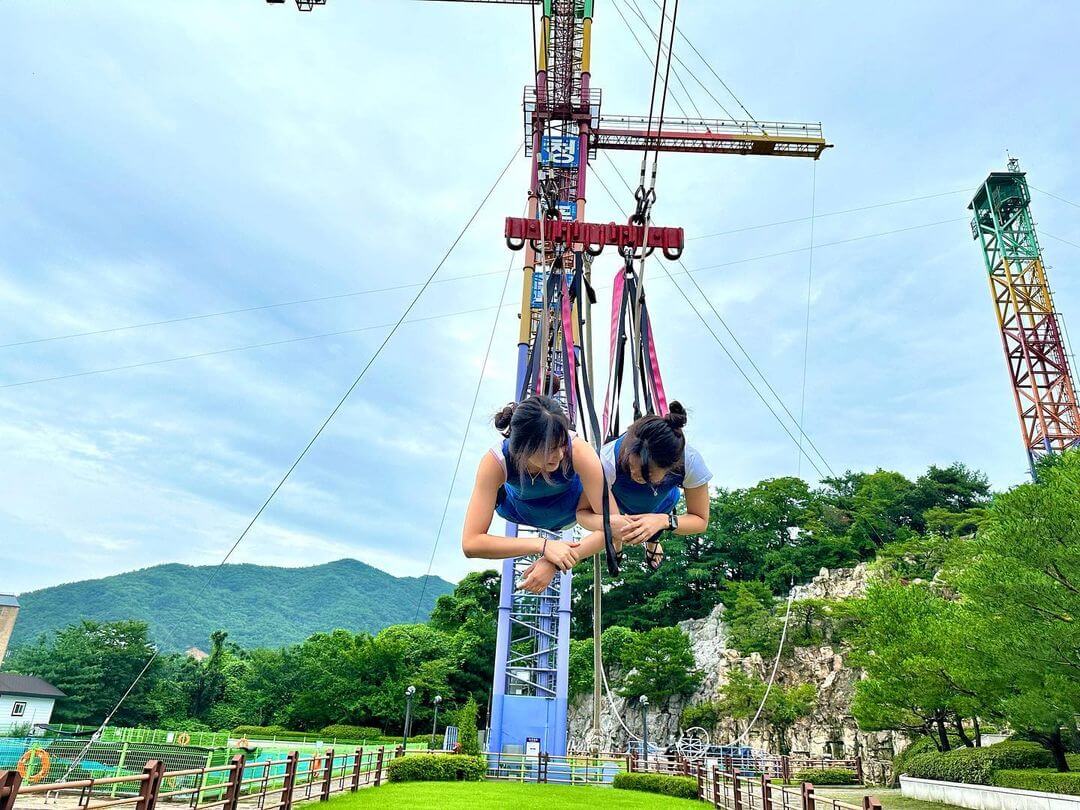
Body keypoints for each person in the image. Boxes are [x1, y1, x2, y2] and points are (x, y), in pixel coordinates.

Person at [461, 393, 622, 593]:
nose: (560, 455)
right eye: (550, 449)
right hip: (517, 509)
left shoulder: (579, 451)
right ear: (522, 448)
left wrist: (553, 562)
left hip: (570, 510)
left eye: (562, 445)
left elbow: (614, 529)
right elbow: (471, 543)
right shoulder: (496, 462)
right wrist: (543, 545)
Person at [578, 401, 711, 569]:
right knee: (618, 529)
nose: (635, 475)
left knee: (654, 527)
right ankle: (617, 541)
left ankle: (652, 539)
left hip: (663, 506)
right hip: (619, 506)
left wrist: (664, 521)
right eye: (630, 466)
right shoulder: (606, 460)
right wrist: (611, 525)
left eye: (645, 475)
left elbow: (700, 520)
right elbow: (582, 514)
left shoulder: (690, 462)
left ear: (671, 467)